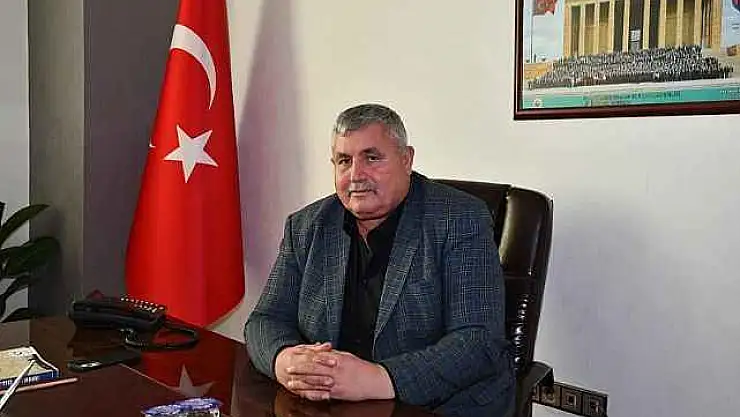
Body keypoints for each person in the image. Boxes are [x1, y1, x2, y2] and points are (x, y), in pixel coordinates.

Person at [245, 103, 514, 417]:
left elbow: (478, 341)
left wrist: (381, 378)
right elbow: (264, 320)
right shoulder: (307, 226)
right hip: (332, 404)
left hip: (437, 406)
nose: (356, 175)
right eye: (344, 161)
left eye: (372, 158)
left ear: (406, 159)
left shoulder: (459, 219)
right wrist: (285, 360)